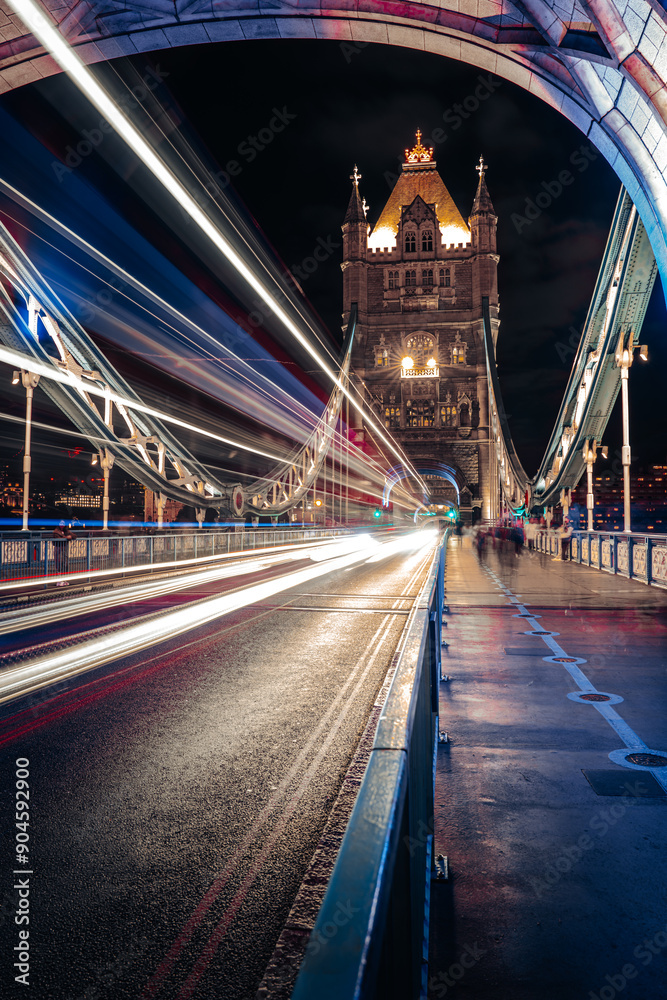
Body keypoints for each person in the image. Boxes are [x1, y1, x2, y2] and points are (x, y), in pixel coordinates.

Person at [53, 520, 76, 585]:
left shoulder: (66, 531)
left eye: (63, 523)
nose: (62, 524)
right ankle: (59, 581)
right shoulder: (56, 531)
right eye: (61, 523)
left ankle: (64, 579)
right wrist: (67, 537)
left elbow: (74, 536)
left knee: (65, 564)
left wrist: (70, 537)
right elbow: (58, 539)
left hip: (64, 549)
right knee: (59, 564)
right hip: (58, 549)